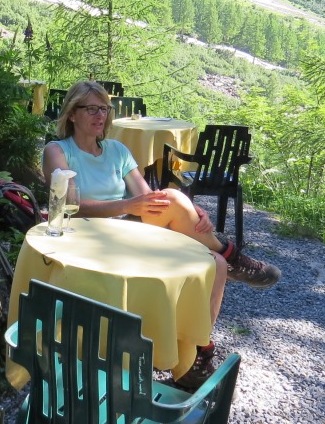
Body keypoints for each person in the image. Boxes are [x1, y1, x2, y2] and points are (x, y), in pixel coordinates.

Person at [41, 80, 281, 389]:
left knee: (213, 260)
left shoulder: (117, 150)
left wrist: (190, 212)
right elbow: (67, 205)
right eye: (90, 109)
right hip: (87, 238)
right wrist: (128, 205)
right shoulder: (58, 151)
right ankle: (231, 256)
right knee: (180, 208)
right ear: (72, 114)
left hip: (127, 231)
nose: (100, 115)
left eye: (104, 108)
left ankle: (194, 359)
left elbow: (148, 199)